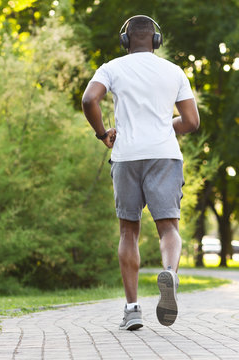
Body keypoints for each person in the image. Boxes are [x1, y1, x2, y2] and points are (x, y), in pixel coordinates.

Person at [81, 15, 200, 330]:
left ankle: (132, 309)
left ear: (125, 41)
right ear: (156, 40)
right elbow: (191, 122)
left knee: (128, 232)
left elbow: (89, 99)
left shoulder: (112, 68)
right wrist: (166, 125)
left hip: (127, 156)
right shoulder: (174, 71)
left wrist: (102, 133)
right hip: (164, 154)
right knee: (168, 228)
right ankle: (170, 274)